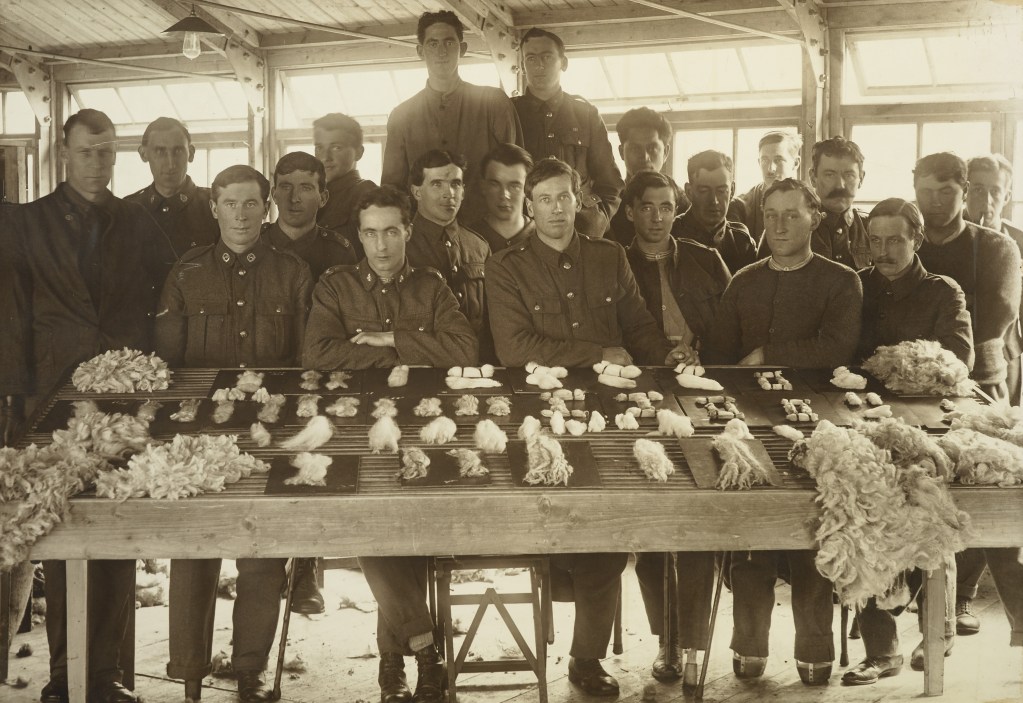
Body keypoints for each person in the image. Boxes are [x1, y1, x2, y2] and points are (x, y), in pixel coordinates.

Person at [486, 157, 683, 697]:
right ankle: (555, 625)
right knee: (554, 524)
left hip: (609, 413)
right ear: (530, 204)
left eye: (564, 197)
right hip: (539, 414)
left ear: (580, 201)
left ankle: (587, 657)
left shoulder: (608, 255)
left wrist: (670, 356)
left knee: (611, 524)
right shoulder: (506, 266)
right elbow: (514, 347)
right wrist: (598, 349)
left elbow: (638, 324)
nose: (555, 208)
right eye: (544, 198)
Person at [0, 108, 176, 703]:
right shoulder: (26, 223)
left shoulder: (139, 221)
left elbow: (164, 300)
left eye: (105, 151)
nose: (97, 163)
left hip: (125, 397)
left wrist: (153, 380)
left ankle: (106, 676)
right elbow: (13, 314)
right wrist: (19, 400)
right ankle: (63, 676)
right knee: (63, 533)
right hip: (50, 398)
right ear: (63, 155)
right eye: (85, 152)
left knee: (116, 532)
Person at [303, 186, 476, 703]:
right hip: (356, 428)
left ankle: (393, 665)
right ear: (359, 235)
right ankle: (423, 648)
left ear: (409, 231)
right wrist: (414, 355)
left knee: (410, 523)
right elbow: (316, 355)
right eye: (370, 233)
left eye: (392, 232)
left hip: (427, 425)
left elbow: (465, 348)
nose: (381, 245)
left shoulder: (432, 285)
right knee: (370, 521)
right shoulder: (335, 286)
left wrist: (388, 341)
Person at [155, 165, 313, 703]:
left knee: (262, 555)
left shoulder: (291, 273)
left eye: (252, 204)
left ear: (266, 208)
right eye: (230, 203)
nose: (242, 214)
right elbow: (168, 364)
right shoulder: (187, 272)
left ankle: (249, 669)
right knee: (193, 554)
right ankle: (191, 672)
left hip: (268, 435)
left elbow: (304, 361)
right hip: (198, 439)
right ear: (214, 207)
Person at [704, 178, 863, 686]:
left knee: (811, 532)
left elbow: (837, 346)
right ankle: (749, 645)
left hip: (819, 423)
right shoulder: (745, 279)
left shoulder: (841, 280)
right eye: (770, 214)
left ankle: (815, 649)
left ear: (815, 217)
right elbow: (720, 353)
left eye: (791, 214)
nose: (778, 225)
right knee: (752, 532)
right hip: (749, 422)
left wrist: (770, 356)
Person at [842, 198, 973, 685]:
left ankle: (935, 634)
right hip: (864, 420)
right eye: (874, 241)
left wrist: (887, 368)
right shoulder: (856, 286)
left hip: (926, 424)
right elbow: (840, 354)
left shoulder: (944, 292)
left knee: (931, 514)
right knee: (860, 512)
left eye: (895, 239)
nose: (883, 250)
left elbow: (958, 360)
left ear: (917, 239)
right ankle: (881, 649)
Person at [622, 170, 730, 685]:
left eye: (666, 206)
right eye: (647, 206)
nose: (657, 216)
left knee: (701, 513)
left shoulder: (707, 260)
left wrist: (701, 349)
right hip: (637, 393)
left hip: (703, 393)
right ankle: (664, 638)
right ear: (630, 211)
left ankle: (693, 644)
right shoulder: (611, 260)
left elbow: (733, 325)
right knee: (652, 515)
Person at [958, 153, 1023, 634]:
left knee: (997, 481)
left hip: (1007, 371)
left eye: (992, 190)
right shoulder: (955, 243)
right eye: (974, 188)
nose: (983, 199)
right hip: (963, 372)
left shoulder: (1015, 244)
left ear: (1007, 193)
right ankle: (956, 598)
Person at [381, 10, 521, 225]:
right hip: (424, 238)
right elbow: (392, 188)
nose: (441, 52)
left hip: (487, 230)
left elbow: (517, 172)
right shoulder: (402, 115)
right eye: (433, 44)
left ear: (462, 49)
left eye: (449, 42)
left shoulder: (493, 102)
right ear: (421, 51)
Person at [914, 152, 1021, 402]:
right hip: (912, 382)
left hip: (980, 380)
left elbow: (994, 321)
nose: (935, 201)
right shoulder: (907, 243)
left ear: (964, 190)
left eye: (946, 191)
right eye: (926, 191)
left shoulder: (998, 247)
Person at [513, 27, 623, 238]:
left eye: (547, 57)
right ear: (522, 65)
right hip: (525, 233)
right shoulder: (509, 113)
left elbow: (611, 182)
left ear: (563, 63)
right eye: (531, 58)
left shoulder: (585, 114)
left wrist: (599, 220)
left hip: (581, 230)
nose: (539, 65)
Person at [406, 149, 492, 361]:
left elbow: (493, 320)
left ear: (463, 191)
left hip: (476, 364)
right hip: (421, 362)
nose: (449, 193)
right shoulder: (400, 244)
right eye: (437, 184)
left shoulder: (479, 246)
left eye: (455, 184)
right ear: (417, 192)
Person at [126, 116, 219, 257]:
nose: (170, 164)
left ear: (191, 153)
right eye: (160, 152)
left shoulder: (217, 205)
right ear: (144, 154)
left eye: (178, 151)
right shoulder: (127, 210)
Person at [266, 150, 357, 280]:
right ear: (274, 195)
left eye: (305, 188)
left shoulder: (339, 252)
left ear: (323, 198)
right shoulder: (255, 243)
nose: (294, 198)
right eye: (286, 187)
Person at [607, 107, 690, 247]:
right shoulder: (609, 203)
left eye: (652, 148)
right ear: (621, 152)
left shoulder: (682, 202)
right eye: (635, 149)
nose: (644, 157)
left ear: (666, 152)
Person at [675, 150, 758, 273]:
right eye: (704, 191)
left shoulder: (741, 241)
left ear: (732, 190)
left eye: (721, 191)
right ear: (689, 192)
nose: (714, 201)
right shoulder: (671, 236)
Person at [313, 113, 377, 257]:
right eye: (319, 148)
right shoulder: (313, 195)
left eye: (336, 148)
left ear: (359, 153)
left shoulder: (367, 194)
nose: (325, 157)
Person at [727, 130, 802, 246]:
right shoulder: (739, 206)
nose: (770, 169)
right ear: (758, 162)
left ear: (796, 163)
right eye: (764, 160)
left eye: (778, 160)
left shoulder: (809, 204)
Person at [806, 135, 871, 269]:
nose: (840, 185)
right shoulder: (795, 227)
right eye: (830, 175)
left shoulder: (871, 228)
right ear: (813, 178)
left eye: (849, 175)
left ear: (861, 178)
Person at [470, 143, 535, 252]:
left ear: (528, 189)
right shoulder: (467, 239)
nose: (504, 195)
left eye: (514, 186)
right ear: (483, 186)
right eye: (495, 184)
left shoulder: (545, 237)